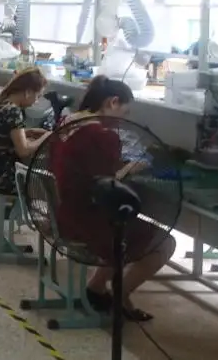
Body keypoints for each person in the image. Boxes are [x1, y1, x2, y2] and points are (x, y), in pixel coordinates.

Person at [50, 76, 176, 322]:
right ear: (112, 102)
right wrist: (130, 168)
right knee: (165, 242)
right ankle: (120, 295)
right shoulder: (101, 135)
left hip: (64, 211)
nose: (122, 120)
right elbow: (108, 184)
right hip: (87, 220)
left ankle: (96, 289)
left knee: (124, 224)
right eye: (124, 112)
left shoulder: (67, 122)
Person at [0, 67, 50, 195]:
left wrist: (28, 132)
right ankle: (21, 208)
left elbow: (2, 134)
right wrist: (46, 137)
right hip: (7, 178)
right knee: (51, 188)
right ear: (28, 92)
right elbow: (24, 151)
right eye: (37, 96)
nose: (36, 101)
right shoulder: (13, 111)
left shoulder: (1, 103)